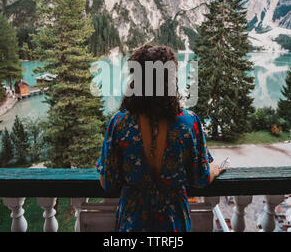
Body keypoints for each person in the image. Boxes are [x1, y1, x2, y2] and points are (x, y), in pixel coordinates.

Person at [96, 45, 226, 232]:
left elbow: (107, 183)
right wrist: (215, 169)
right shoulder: (188, 123)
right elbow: (200, 178)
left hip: (133, 220)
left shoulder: (119, 123)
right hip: (173, 220)